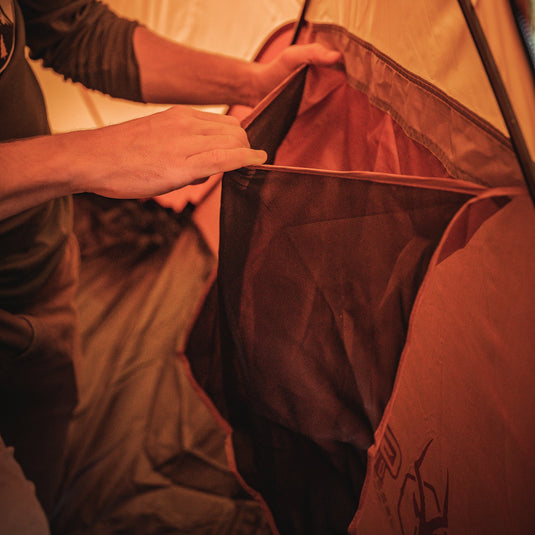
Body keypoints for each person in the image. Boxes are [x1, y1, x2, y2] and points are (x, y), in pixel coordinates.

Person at [0, 0, 341, 530]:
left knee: (43, 437)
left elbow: (72, 28)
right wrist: (88, 158)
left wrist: (250, 83)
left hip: (36, 262)